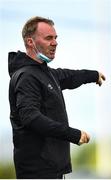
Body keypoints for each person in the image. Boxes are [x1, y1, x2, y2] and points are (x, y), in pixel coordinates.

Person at [8, 16, 105, 179]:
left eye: (55, 38)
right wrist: (72, 134)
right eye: (48, 38)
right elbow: (30, 117)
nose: (55, 42)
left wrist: (93, 75)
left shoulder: (44, 72)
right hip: (38, 172)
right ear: (30, 42)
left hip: (53, 170)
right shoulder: (27, 77)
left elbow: (69, 76)